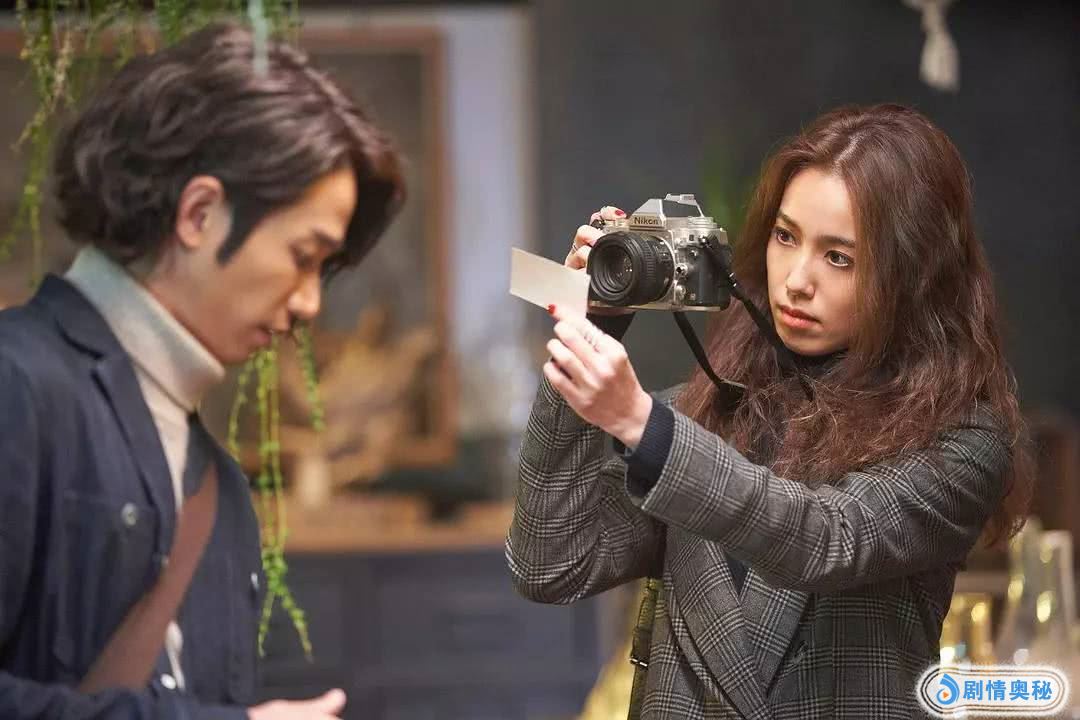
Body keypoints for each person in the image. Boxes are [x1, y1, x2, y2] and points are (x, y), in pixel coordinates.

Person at [506, 104, 1033, 719]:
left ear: (912, 277)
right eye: (786, 237)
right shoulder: (708, 409)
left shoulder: (963, 441)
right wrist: (590, 328)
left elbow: (828, 539)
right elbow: (551, 565)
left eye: (839, 257)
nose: (796, 281)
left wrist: (643, 426)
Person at [0, 23, 403, 720]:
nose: (309, 304)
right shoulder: (17, 383)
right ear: (199, 213)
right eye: (303, 256)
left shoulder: (216, 481)